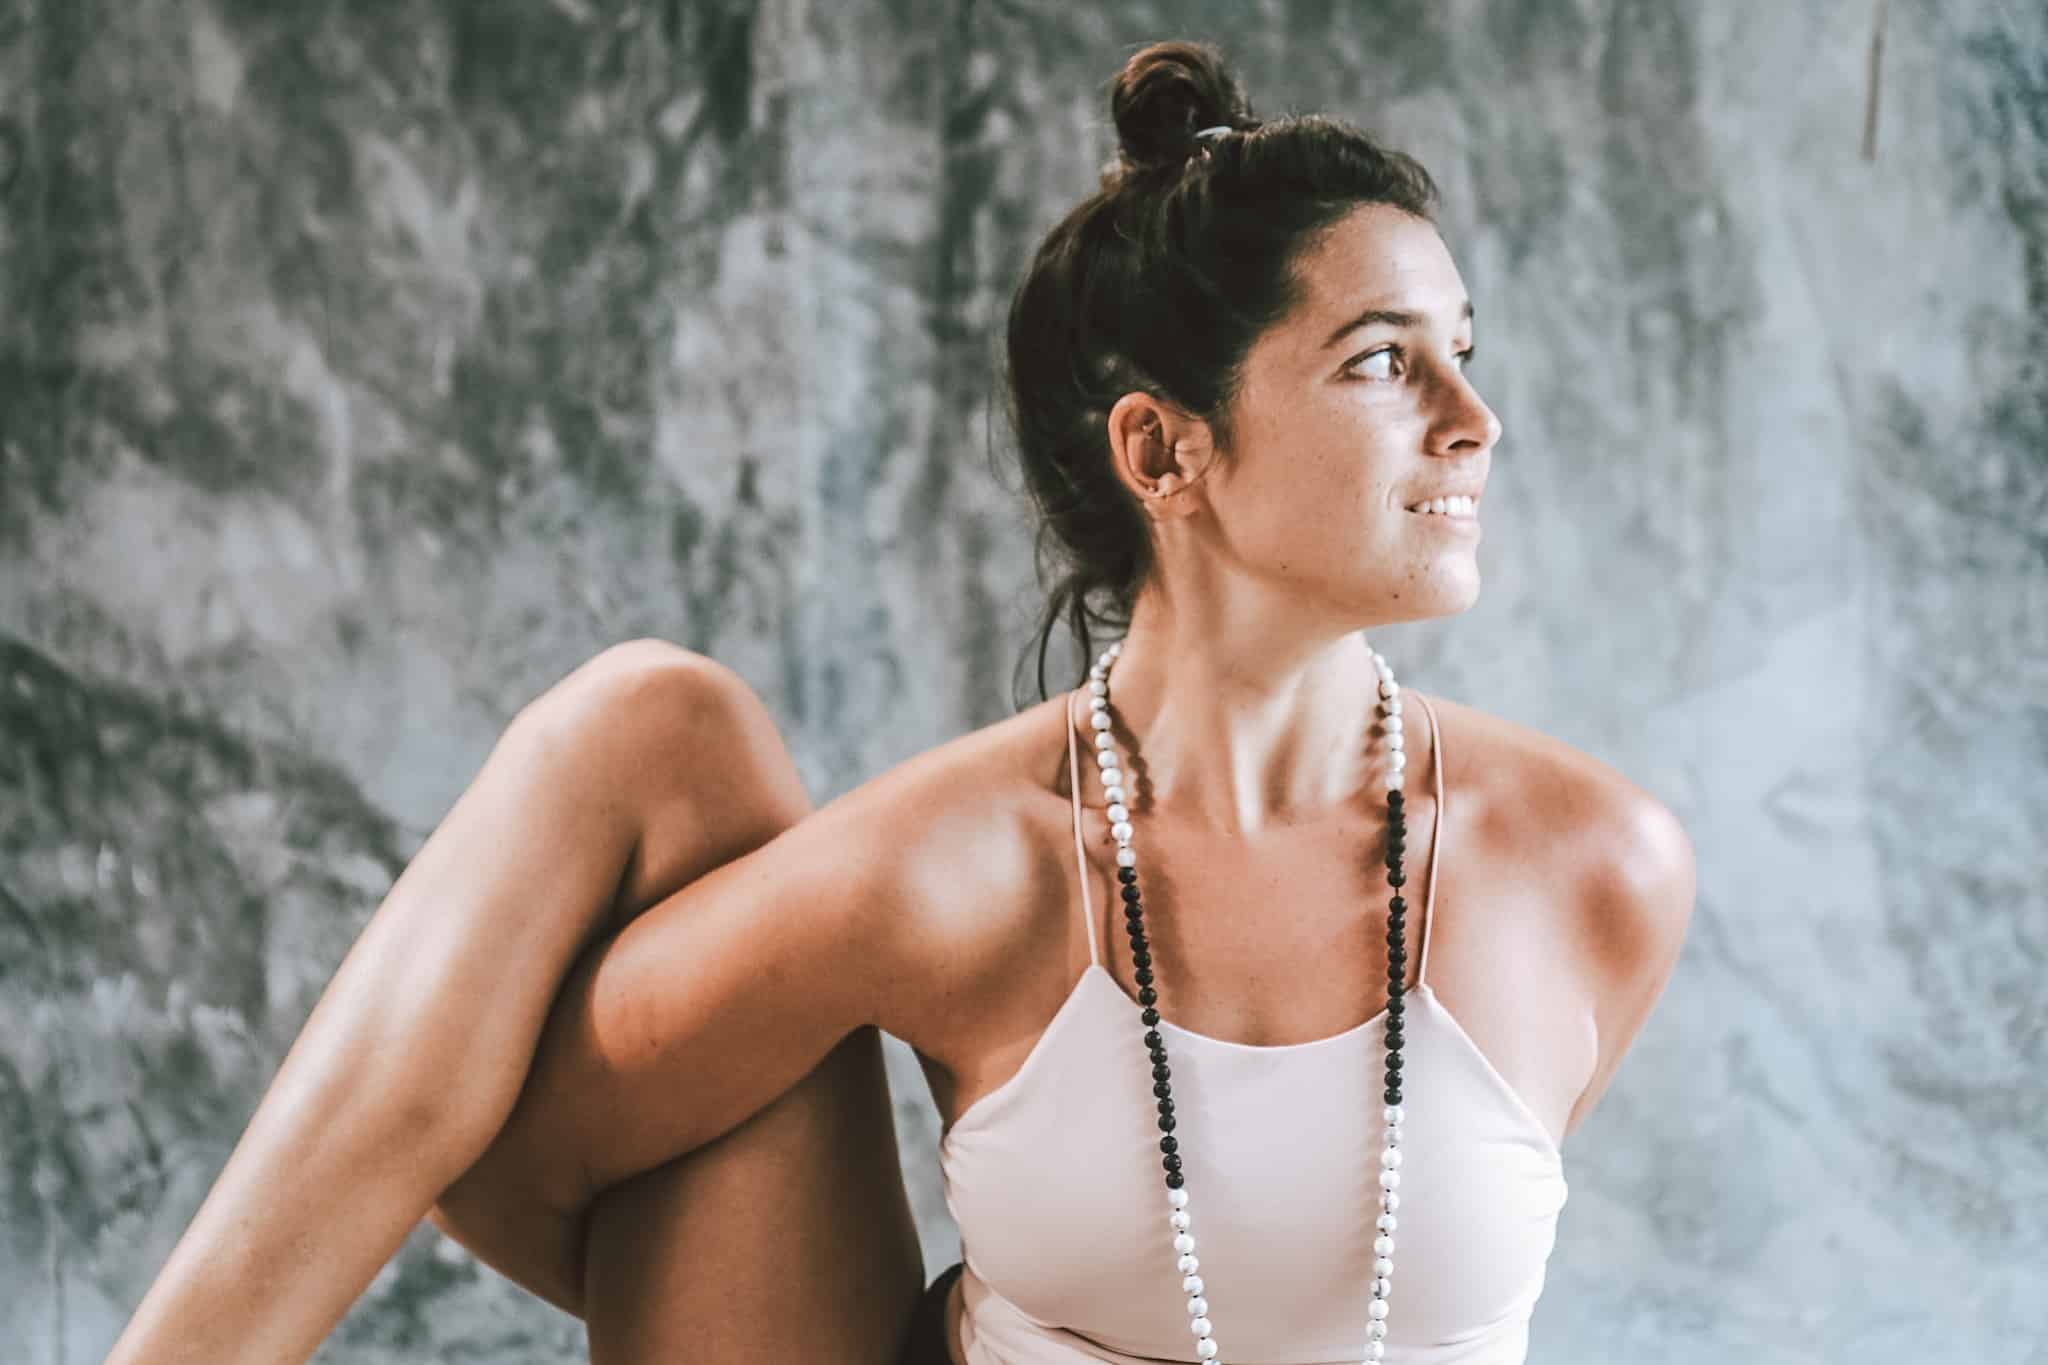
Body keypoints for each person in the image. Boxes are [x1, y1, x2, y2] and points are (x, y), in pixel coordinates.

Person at [107, 37, 1695, 1365]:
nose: (1473, 420)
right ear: (1162, 453)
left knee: (665, 732)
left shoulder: (1597, 871)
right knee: (661, 726)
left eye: (1463, 353)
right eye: (1379, 362)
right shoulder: (962, 865)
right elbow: (512, 1151)